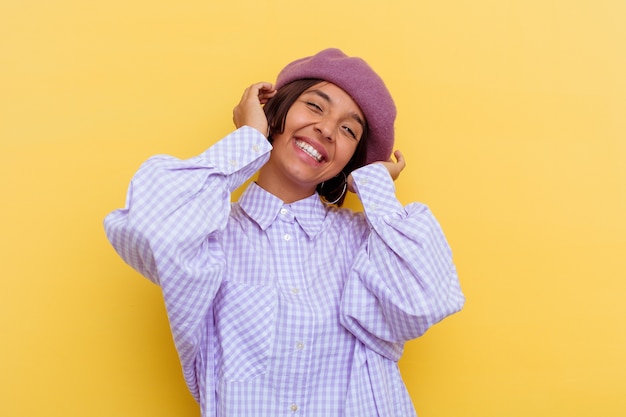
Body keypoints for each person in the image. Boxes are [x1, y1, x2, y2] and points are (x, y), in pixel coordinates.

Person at [104, 48, 465, 417]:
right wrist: (248, 139)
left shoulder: (368, 245)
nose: (326, 129)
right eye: (315, 106)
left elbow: (428, 301)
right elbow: (144, 228)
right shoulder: (210, 236)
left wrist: (375, 188)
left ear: (352, 158)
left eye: (348, 130)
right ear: (277, 111)